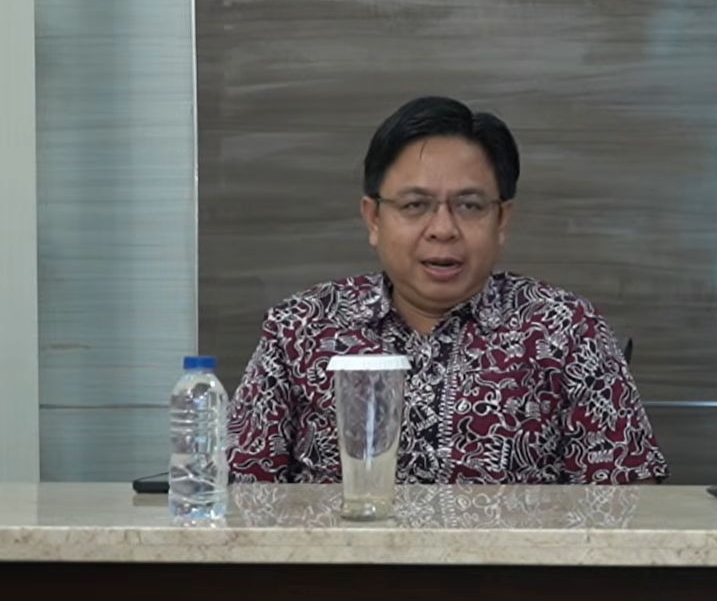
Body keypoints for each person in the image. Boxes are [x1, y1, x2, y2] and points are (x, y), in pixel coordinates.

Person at [229, 96, 668, 484]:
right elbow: (237, 493)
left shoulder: (566, 329)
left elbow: (628, 503)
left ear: (502, 220)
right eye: (415, 205)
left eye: (470, 206)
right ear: (374, 219)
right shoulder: (300, 328)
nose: (443, 229)